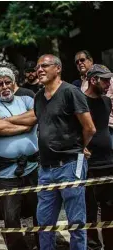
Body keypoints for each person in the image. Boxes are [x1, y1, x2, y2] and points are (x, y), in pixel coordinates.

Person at [33, 54, 96, 250]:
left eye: (45, 66)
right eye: (38, 67)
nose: (40, 70)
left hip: (70, 165)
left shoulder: (70, 92)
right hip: (45, 169)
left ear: (57, 69)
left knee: (76, 221)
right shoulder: (38, 97)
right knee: (44, 223)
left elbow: (89, 128)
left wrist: (79, 147)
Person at [0, 67, 39, 250]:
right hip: (6, 173)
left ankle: (43, 244)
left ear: (14, 84)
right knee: (11, 217)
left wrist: (7, 119)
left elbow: (35, 116)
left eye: (8, 82)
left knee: (41, 211)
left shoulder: (28, 100)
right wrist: (24, 126)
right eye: (0, 84)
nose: (5, 86)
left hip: (33, 167)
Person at [84, 64, 113, 250]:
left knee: (110, 208)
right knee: (89, 210)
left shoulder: (107, 102)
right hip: (88, 164)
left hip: (108, 162)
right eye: (105, 80)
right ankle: (93, 246)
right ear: (93, 80)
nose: (109, 83)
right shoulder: (80, 102)